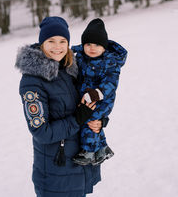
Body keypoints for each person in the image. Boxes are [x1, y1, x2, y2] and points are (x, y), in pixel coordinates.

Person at [15, 16, 103, 197]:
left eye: (63, 41)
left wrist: (99, 119)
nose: (58, 46)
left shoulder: (71, 70)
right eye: (51, 41)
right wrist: (79, 118)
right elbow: (42, 132)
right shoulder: (32, 81)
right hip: (56, 173)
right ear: (42, 44)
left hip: (78, 165)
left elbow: (87, 103)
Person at [72, 18, 127, 166]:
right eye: (88, 44)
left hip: (102, 100)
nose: (92, 48)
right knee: (94, 123)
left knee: (89, 121)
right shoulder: (81, 58)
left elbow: (110, 85)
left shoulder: (110, 63)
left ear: (104, 47)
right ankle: (103, 148)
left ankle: (88, 152)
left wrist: (93, 94)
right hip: (88, 98)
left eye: (97, 45)